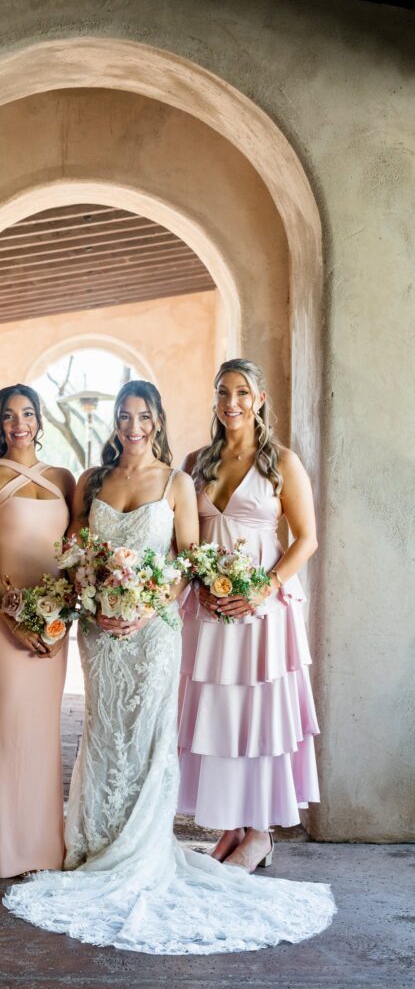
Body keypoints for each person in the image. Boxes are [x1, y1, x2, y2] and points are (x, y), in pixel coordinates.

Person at [3, 379, 335, 955]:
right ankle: (97, 843)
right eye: (124, 417)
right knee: (104, 736)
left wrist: (144, 608)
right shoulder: (92, 481)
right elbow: (76, 552)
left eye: (144, 417)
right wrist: (89, 600)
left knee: (151, 738)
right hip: (100, 632)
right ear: (115, 423)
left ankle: (155, 847)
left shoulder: (180, 481)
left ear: (156, 421)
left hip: (153, 631)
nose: (134, 427)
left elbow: (184, 559)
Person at [177, 358, 322, 871]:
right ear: (214, 399)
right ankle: (229, 829)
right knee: (216, 712)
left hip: (263, 611)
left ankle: (260, 831)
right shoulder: (196, 462)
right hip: (210, 609)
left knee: (258, 712)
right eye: (222, 392)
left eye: (241, 392)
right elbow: (184, 538)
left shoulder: (281, 462)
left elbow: (306, 539)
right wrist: (197, 580)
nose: (231, 402)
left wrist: (263, 588)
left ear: (259, 399)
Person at [0, 384, 75, 878]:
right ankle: (2, 849)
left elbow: (75, 556)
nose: (18, 423)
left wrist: (62, 615)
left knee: (42, 730)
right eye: (8, 415)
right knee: (9, 725)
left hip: (53, 620)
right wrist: (11, 614)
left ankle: (42, 849)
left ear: (39, 420)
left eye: (27, 413)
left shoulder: (65, 477)